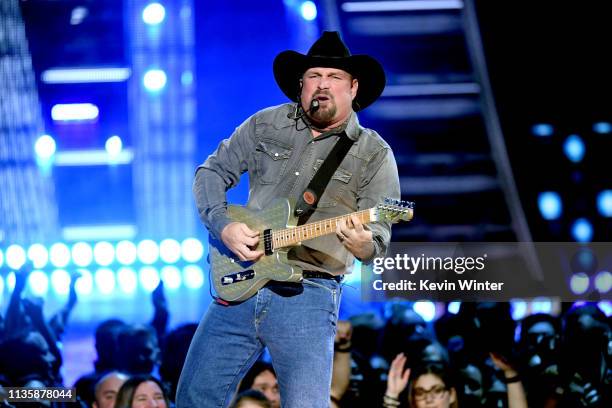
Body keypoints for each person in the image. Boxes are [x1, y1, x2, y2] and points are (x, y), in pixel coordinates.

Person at [177, 30, 400, 407]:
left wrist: (365, 244)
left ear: (354, 87)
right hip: (241, 280)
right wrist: (223, 224)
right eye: (315, 76)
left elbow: (378, 232)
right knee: (193, 398)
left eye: (334, 78)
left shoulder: (373, 153)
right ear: (301, 85)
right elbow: (211, 173)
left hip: (309, 295)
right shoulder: (266, 124)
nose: (323, 85)